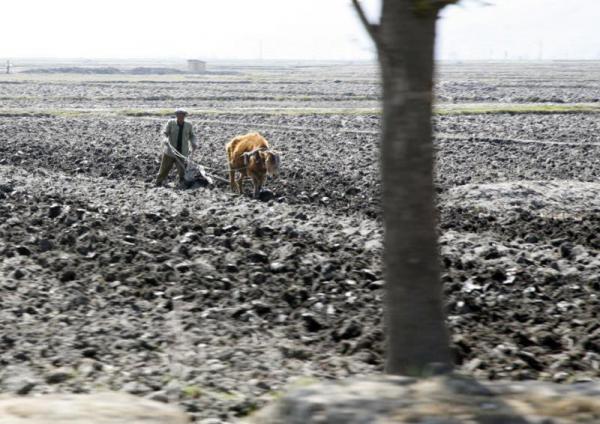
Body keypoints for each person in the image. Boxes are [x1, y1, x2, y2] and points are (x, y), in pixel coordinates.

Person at [155, 108, 198, 186]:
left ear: (185, 116)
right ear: (176, 115)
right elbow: (165, 133)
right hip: (170, 151)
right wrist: (165, 139)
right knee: (164, 169)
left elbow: (192, 135)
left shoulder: (189, 125)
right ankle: (158, 182)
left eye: (182, 115)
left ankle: (182, 183)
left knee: (181, 170)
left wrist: (194, 143)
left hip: (181, 152)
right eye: (179, 115)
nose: (180, 116)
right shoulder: (171, 123)